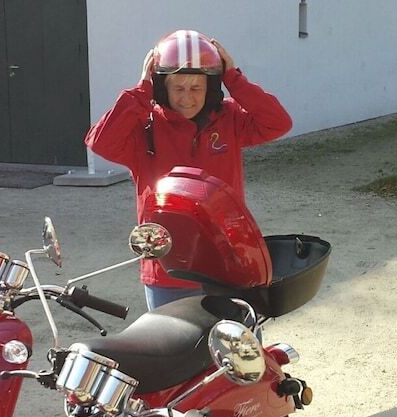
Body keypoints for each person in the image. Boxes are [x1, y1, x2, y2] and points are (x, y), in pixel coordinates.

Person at [86, 30, 292, 310]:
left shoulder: (229, 119)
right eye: (178, 88)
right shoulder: (144, 126)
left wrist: (234, 78)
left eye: (196, 88)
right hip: (169, 268)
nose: (187, 98)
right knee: (170, 339)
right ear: (162, 87)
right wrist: (142, 90)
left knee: (238, 337)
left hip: (227, 263)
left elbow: (278, 123)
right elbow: (101, 142)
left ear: (211, 87)